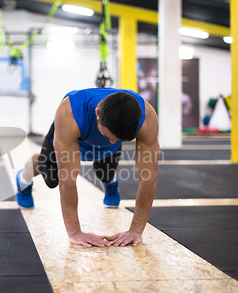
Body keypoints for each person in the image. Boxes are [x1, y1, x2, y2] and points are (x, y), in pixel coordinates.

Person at [15, 88, 159, 248]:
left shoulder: (147, 117)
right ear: (97, 113)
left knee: (106, 172)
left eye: (119, 140)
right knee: (50, 176)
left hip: (106, 140)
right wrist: (75, 232)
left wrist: (136, 230)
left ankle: (110, 185)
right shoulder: (70, 112)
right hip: (71, 138)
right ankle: (23, 180)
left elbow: (149, 177)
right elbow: (67, 179)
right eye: (109, 136)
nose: (113, 142)